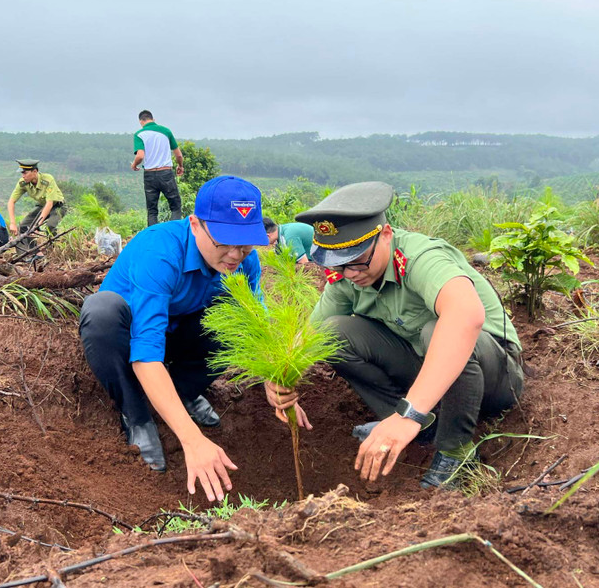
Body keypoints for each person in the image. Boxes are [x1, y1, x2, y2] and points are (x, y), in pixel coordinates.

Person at [264, 182, 524, 489]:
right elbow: (312, 334)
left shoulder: (421, 257)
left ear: (385, 235)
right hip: (427, 369)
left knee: (434, 330)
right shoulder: (350, 275)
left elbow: (466, 317)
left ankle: (456, 450)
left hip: (495, 376)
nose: (349, 274)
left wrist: (407, 414)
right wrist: (280, 378)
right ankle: (424, 425)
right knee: (333, 332)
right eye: (339, 264)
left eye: (357, 259)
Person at [78, 175, 270, 501]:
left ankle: (184, 391)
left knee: (234, 319)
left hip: (179, 333)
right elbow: (145, 351)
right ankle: (136, 414)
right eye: (225, 241)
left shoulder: (245, 263)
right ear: (195, 225)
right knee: (101, 311)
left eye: (246, 243)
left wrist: (275, 376)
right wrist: (193, 440)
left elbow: (256, 326)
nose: (237, 254)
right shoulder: (161, 251)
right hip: (128, 336)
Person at [132, 110, 184, 226]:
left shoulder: (139, 134)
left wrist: (134, 165)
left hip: (149, 175)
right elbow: (179, 155)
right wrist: (180, 166)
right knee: (175, 206)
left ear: (141, 121)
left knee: (152, 211)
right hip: (166, 173)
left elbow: (140, 155)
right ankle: (173, 234)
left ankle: (153, 238)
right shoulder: (166, 131)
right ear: (153, 119)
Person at [6, 160, 66, 253]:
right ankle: (31, 253)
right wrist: (12, 223)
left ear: (35, 172)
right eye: (22, 173)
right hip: (42, 206)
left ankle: (54, 251)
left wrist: (37, 224)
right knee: (24, 225)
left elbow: (49, 203)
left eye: (25, 173)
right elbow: (11, 202)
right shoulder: (23, 183)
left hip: (58, 206)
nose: (23, 176)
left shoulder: (47, 180)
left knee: (50, 226)